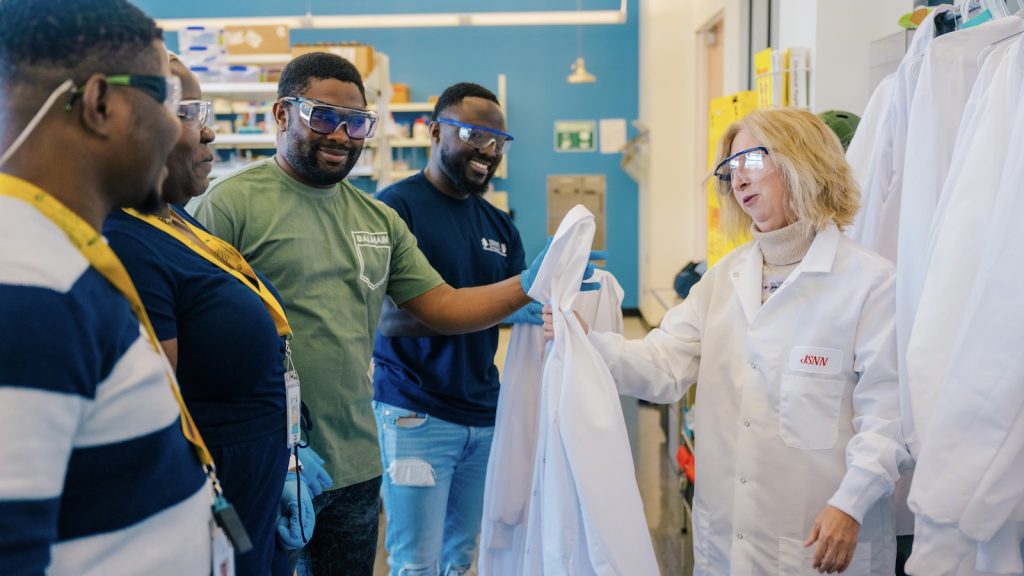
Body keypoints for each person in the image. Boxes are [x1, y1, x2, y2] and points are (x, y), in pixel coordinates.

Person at [192, 52, 594, 575]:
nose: (341, 135)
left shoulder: (376, 218)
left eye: (356, 122)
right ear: (281, 114)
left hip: (355, 463)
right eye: (323, 116)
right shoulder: (229, 206)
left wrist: (528, 283)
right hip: (266, 462)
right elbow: (195, 342)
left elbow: (444, 306)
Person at [545, 108, 911, 575]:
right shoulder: (724, 279)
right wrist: (587, 342)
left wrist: (851, 503)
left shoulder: (869, 284)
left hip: (820, 536)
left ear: (806, 161)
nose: (738, 180)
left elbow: (888, 416)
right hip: (728, 539)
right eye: (730, 169)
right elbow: (663, 365)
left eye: (753, 161)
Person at [0, 1, 215, 574]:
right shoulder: (27, 286)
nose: (183, 129)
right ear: (100, 103)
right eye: (168, 101)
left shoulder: (52, 255)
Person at [103, 55, 331, 575]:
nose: (209, 132)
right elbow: (156, 419)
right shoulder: (126, 243)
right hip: (209, 509)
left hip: (256, 483)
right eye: (187, 113)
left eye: (203, 111)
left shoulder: (176, 220)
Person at [372, 82, 539, 575]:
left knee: (461, 559)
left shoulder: (499, 225)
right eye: (474, 134)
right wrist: (472, 307)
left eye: (498, 142)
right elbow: (382, 316)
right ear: (436, 130)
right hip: (415, 413)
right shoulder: (394, 209)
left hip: (483, 414)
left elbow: (513, 302)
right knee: (415, 564)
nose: (488, 151)